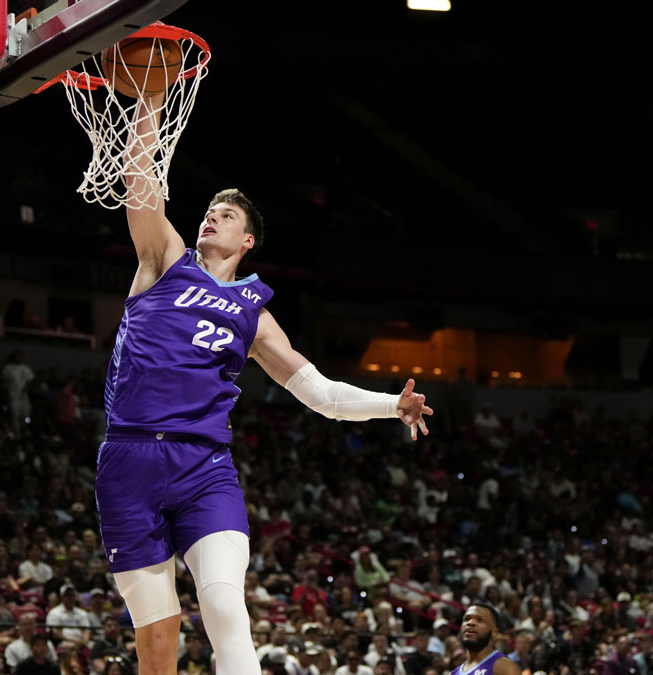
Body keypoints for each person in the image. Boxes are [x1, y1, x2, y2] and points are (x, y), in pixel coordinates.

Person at [95, 97, 432, 675]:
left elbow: (320, 393)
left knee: (225, 605)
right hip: (128, 459)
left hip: (204, 468)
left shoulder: (253, 311)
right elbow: (139, 181)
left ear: (247, 241)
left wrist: (389, 405)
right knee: (158, 634)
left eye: (226, 216)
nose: (211, 218)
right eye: (208, 211)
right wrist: (151, 101)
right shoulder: (163, 260)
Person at [451, 604, 518, 675]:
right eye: (467, 619)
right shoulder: (453, 673)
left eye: (480, 620)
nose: (470, 623)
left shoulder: (503, 667)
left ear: (494, 632)